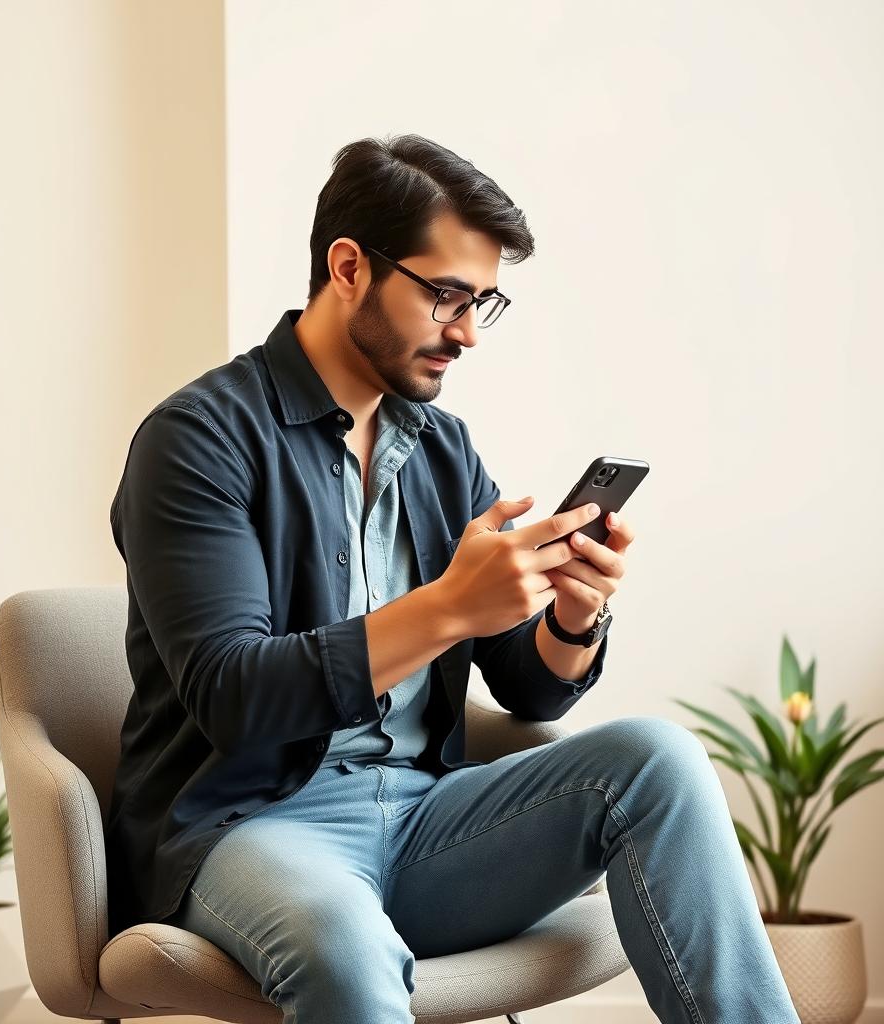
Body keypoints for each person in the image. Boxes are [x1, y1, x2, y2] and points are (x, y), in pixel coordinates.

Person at [104, 133, 800, 1023]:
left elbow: (525, 688)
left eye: (484, 302)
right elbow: (232, 695)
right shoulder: (198, 440)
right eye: (444, 296)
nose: (467, 332)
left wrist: (571, 620)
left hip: (428, 821)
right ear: (348, 266)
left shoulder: (441, 448)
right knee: (343, 946)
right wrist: (446, 608)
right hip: (251, 826)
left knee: (656, 762)